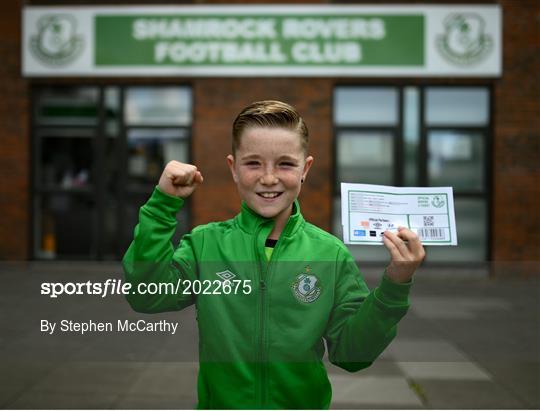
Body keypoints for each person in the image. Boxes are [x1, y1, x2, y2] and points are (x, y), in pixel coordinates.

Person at [123, 100, 425, 409]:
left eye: (285, 163)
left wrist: (395, 284)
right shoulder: (206, 245)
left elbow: (352, 355)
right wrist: (161, 207)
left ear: (305, 168)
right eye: (253, 163)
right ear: (234, 168)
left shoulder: (330, 254)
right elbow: (147, 296)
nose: (269, 178)